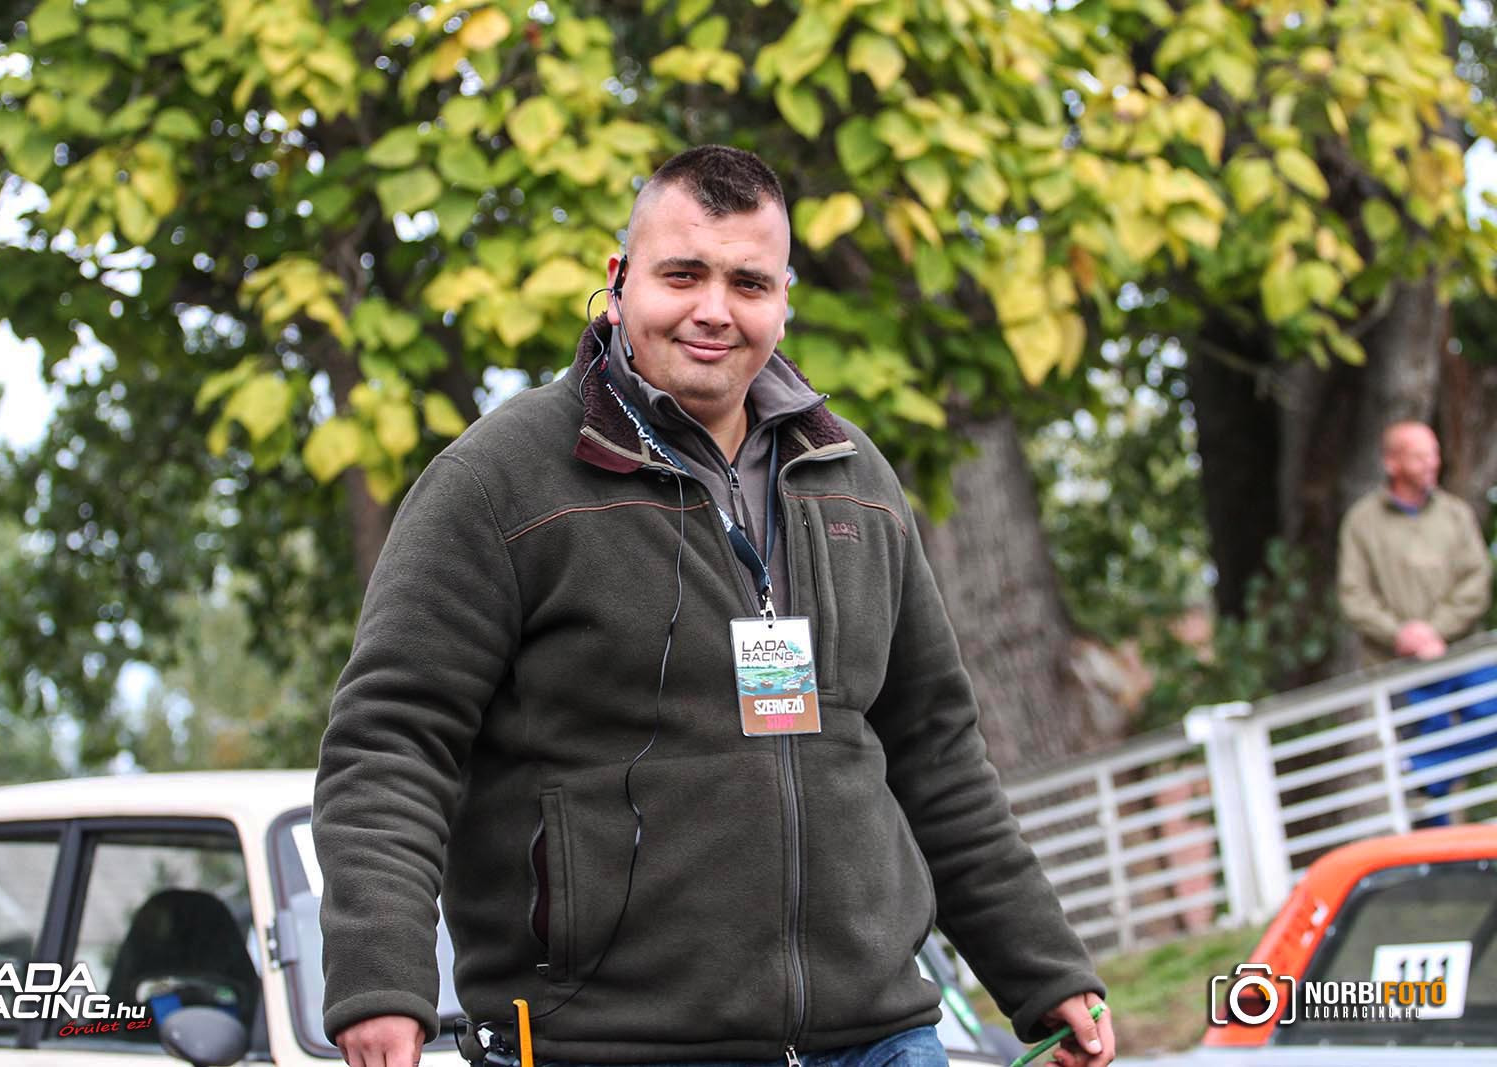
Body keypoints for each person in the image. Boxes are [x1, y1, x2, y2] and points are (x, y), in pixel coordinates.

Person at [313, 145, 1114, 1067]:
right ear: (619, 280)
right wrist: (380, 976)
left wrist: (1043, 969)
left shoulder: (853, 477)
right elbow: (391, 742)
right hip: (605, 1046)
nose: (714, 310)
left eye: (749, 282)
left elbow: (937, 752)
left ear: (784, 299)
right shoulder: (496, 483)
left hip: (880, 1038)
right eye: (682, 274)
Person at [1337, 421, 1497, 823]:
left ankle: (1430, 775)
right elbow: (1354, 596)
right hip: (1401, 669)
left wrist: (1435, 630)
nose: (1432, 463)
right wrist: (1401, 634)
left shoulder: (1455, 514)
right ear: (1392, 463)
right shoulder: (1362, 522)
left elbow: (1477, 580)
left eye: (1434, 453)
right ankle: (1430, 793)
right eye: (1419, 455)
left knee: (1483, 722)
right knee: (1427, 794)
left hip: (1459, 654)